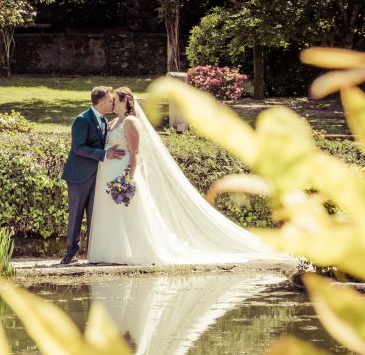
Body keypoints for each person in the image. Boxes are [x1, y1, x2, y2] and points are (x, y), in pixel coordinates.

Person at [87, 87, 289, 265]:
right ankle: (114, 251)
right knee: (114, 214)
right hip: (109, 174)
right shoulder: (114, 122)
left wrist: (128, 178)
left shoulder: (131, 121)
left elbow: (135, 152)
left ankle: (135, 252)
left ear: (126, 100)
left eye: (115, 99)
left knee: (131, 214)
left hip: (123, 174)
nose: (112, 102)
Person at [60, 86, 125, 265]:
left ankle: (94, 253)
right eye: (111, 100)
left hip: (97, 175)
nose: (113, 102)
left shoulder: (104, 121)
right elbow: (78, 148)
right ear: (103, 102)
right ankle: (71, 254)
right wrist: (104, 155)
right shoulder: (82, 120)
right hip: (79, 175)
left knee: (95, 215)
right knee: (76, 215)